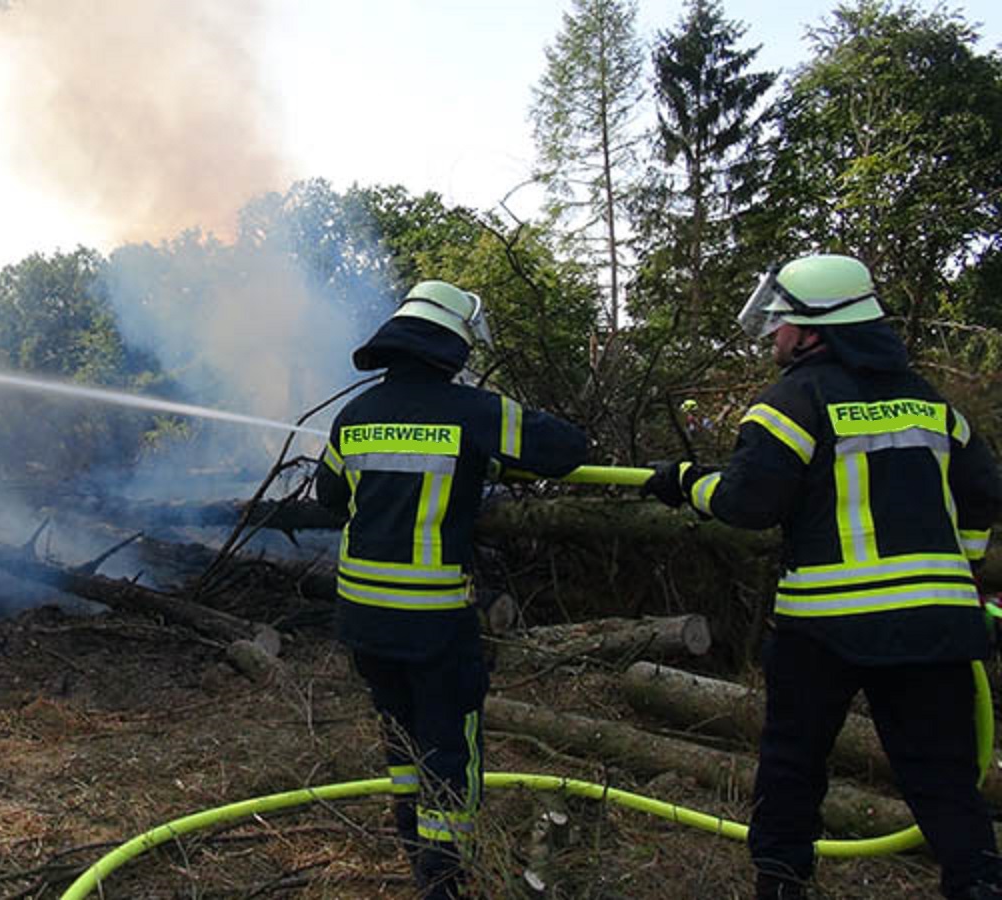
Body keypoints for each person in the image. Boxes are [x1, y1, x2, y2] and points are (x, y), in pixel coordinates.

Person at [639, 254, 1002, 900]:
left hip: (825, 626)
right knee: (943, 776)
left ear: (814, 331)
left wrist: (686, 482)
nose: (773, 335)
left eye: (781, 322)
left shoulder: (792, 402)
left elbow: (748, 503)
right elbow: (983, 494)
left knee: (794, 764)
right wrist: (963, 569)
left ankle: (781, 882)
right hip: (936, 625)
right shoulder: (929, 402)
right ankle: (977, 883)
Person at [315, 280, 587, 899]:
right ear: (453, 345)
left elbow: (329, 496)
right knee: (447, 749)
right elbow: (568, 449)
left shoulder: (354, 415)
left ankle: (416, 851)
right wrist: (486, 457)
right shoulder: (475, 412)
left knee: (401, 739)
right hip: (434, 624)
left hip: (363, 620)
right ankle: (444, 880)